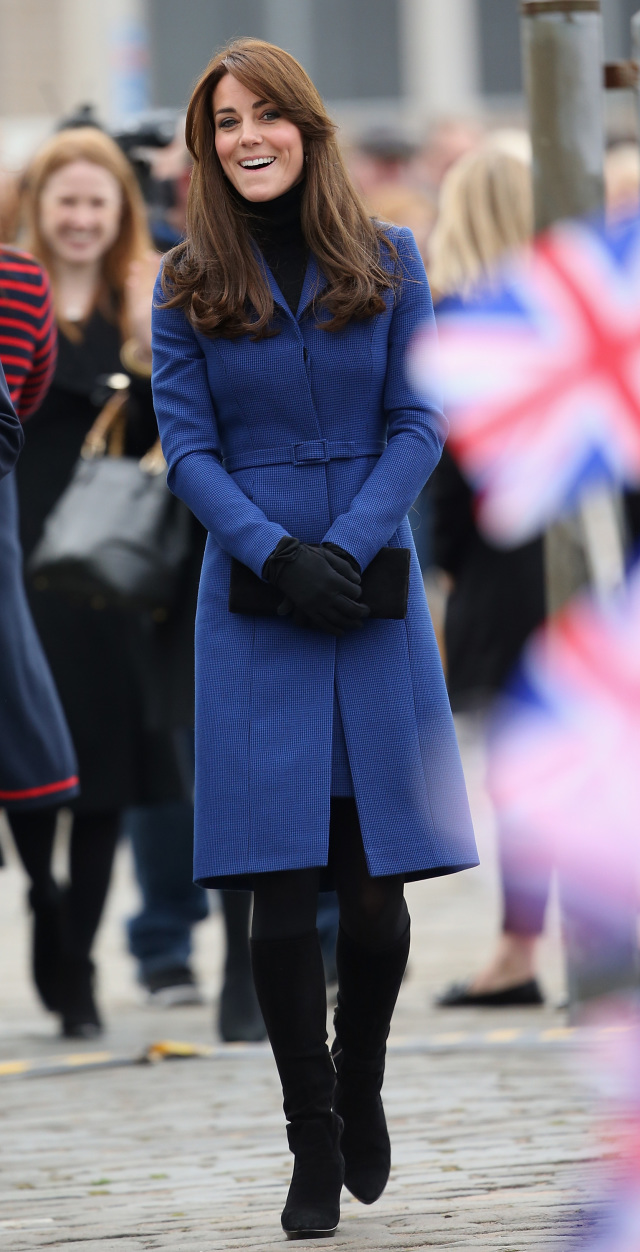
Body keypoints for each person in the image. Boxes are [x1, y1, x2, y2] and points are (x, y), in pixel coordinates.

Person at [152, 38, 477, 1239]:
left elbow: (417, 413)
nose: (245, 135)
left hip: (367, 584)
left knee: (374, 887)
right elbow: (185, 449)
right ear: (208, 145)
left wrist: (345, 542)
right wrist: (273, 551)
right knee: (280, 897)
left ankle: (364, 1075)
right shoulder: (185, 279)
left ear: (306, 126)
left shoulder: (390, 259)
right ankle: (310, 1132)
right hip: (252, 600)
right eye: (224, 120)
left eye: (264, 115)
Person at [11, 127, 187, 1038]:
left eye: (97, 203)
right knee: (33, 765)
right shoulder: (12, 295)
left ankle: (79, 958)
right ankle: (45, 902)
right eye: (65, 202)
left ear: (120, 212)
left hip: (113, 568)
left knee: (109, 773)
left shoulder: (148, 300)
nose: (81, 219)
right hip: (23, 561)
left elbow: (182, 426)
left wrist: (152, 342)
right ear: (37, 209)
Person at [425, 142, 549, 1006]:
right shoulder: (573, 317)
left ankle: (519, 949)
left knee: (518, 775)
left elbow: (449, 478)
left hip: (501, 572)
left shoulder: (456, 326)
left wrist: (442, 573)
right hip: (586, 560)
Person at [0, 245, 81, 1009]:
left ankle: (44, 890)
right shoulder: (22, 275)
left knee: (18, 723)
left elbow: (14, 407)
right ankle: (43, 886)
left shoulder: (16, 279)